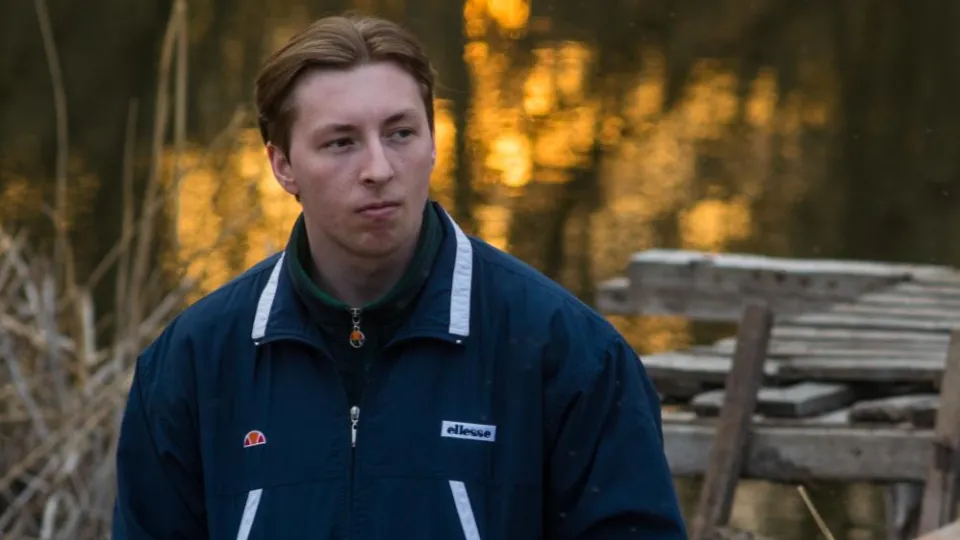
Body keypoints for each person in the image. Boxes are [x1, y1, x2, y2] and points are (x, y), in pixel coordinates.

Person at [111, 13, 687, 540]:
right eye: (341, 142)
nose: (379, 169)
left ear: (434, 142)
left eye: (400, 133)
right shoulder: (194, 362)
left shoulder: (570, 354)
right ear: (283, 166)